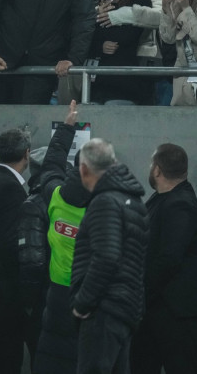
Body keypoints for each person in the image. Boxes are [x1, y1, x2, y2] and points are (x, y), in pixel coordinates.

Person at [131, 143, 197, 374]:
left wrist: (139, 293)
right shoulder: (162, 199)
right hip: (157, 310)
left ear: (157, 170)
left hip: (176, 314)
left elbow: (168, 259)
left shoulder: (180, 203)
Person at [23, 101, 91, 374]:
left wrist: (67, 127)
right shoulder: (110, 208)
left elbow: (51, 163)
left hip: (57, 298)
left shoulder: (55, 197)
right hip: (90, 298)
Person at [70, 138, 149, 374]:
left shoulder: (104, 201)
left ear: (84, 169)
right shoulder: (134, 201)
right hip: (126, 310)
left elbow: (107, 256)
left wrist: (82, 304)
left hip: (103, 311)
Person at [0, 129, 32, 374]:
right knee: (7, 355)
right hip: (7, 289)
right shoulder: (12, 189)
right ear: (27, 154)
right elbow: (11, 242)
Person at [85, 0, 153, 105]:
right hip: (94, 83)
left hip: (123, 83)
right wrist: (99, 44)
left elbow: (125, 37)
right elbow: (82, 33)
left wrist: (101, 27)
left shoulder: (141, 1)